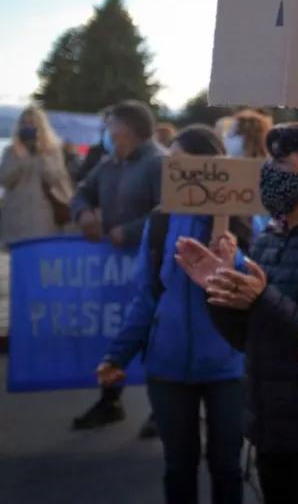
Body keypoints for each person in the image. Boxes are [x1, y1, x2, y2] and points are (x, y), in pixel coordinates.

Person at [175, 122, 298, 504]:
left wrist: (262, 299)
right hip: (270, 427)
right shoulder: (270, 237)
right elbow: (248, 339)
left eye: (281, 163)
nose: (268, 171)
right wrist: (220, 289)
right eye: (267, 160)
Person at [97, 125, 251, 504]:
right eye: (173, 162)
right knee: (178, 466)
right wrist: (118, 355)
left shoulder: (242, 218)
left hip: (228, 369)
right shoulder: (161, 220)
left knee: (226, 466)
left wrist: (234, 258)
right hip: (167, 368)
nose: (174, 168)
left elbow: (260, 290)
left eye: (183, 161)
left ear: (211, 167)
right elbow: (146, 296)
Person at [69, 100, 165, 434]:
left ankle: (162, 408)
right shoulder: (109, 165)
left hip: (152, 265)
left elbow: (167, 212)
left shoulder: (160, 164)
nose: (106, 134)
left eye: (109, 127)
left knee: (154, 333)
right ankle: (110, 400)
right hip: (113, 267)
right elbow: (81, 192)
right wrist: (83, 213)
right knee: (114, 331)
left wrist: (131, 231)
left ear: (125, 130)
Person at [0, 106, 74, 244]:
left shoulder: (53, 150)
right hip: (15, 215)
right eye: (25, 123)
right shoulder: (11, 150)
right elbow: (4, 179)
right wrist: (21, 159)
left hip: (43, 215)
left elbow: (55, 178)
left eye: (32, 123)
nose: (28, 127)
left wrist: (42, 155)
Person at [222, 109, 274, 235]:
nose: (226, 138)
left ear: (250, 138)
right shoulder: (225, 174)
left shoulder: (271, 177)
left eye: (233, 133)